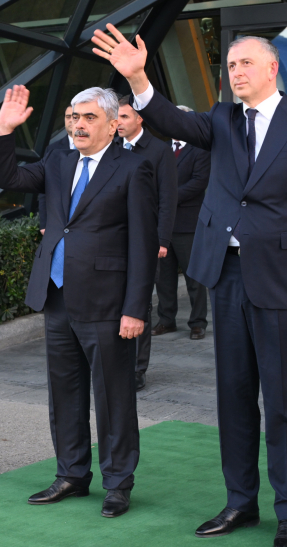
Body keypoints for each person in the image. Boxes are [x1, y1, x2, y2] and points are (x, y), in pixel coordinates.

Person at [93, 24, 287, 547]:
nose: (236, 73)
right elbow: (169, 118)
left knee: (282, 401)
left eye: (245, 63)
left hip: (282, 283)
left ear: (272, 68)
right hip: (226, 276)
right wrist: (137, 78)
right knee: (233, 397)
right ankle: (240, 503)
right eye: (230, 66)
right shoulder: (222, 120)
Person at [0, 85, 157, 518]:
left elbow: (143, 243)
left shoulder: (133, 168)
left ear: (113, 125)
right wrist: (4, 131)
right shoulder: (59, 160)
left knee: (113, 396)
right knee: (64, 392)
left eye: (88, 118)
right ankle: (71, 474)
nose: (78, 125)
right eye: (74, 117)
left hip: (108, 302)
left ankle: (118, 483)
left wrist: (135, 308)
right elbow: (9, 179)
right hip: (58, 295)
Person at [114, 95, 178, 391]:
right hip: (114, 238)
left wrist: (162, 239)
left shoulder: (159, 150)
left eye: (125, 117)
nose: (119, 123)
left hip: (146, 239)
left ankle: (138, 369)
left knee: (140, 303)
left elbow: (168, 197)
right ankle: (117, 363)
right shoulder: (111, 146)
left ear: (140, 118)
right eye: (116, 118)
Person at [153, 105, 211, 342]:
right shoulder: (161, 148)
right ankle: (166, 320)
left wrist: (167, 197)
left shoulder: (200, 149)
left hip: (187, 224)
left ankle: (197, 323)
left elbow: (199, 182)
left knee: (193, 277)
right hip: (162, 225)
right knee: (163, 278)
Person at [39, 106, 76, 234]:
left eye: (74, 117)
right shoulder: (52, 149)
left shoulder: (95, 146)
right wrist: (44, 223)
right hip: (59, 220)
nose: (70, 120)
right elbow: (45, 187)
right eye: (67, 117)